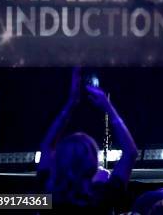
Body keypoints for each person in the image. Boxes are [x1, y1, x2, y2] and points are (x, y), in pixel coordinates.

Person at [38, 67, 138, 214]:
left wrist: (70, 103)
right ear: (92, 164)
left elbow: (47, 145)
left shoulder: (47, 194)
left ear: (58, 160)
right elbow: (130, 153)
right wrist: (108, 107)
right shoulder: (102, 196)